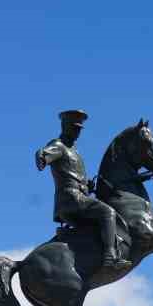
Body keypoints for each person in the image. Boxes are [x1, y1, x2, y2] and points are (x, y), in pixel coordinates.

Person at [36, 108, 128, 271]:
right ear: (65, 126)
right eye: (74, 128)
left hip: (78, 197)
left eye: (79, 129)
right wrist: (42, 156)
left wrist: (88, 186)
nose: (77, 132)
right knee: (108, 213)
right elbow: (45, 154)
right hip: (71, 199)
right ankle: (110, 257)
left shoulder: (74, 151)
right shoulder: (59, 145)